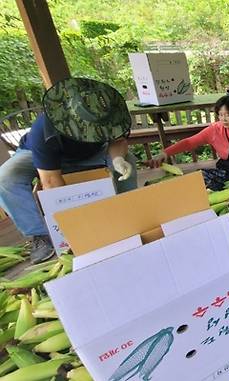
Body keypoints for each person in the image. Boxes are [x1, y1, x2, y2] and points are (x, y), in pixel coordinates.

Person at [0, 78, 137, 264]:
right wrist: (72, 226)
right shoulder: (44, 127)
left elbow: (118, 141)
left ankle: (127, 216)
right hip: (38, 156)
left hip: (92, 153)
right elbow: (50, 182)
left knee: (128, 161)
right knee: (6, 177)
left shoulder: (112, 112)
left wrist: (118, 159)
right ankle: (41, 235)